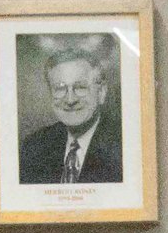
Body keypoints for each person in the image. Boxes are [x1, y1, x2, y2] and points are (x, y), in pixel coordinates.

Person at [17, 43, 122, 185]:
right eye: (60, 88)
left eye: (80, 87)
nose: (70, 99)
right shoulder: (34, 147)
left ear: (101, 92)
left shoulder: (124, 147)